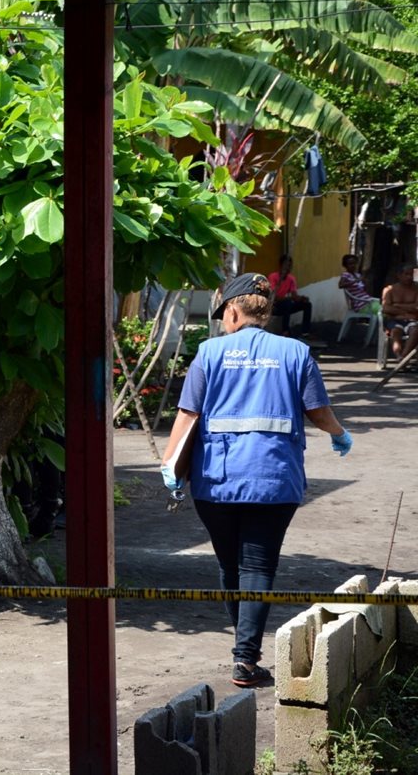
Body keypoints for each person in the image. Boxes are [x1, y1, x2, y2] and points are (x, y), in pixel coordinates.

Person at [160, 272, 351, 689]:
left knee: (231, 566)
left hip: (217, 481)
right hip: (274, 479)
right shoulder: (296, 352)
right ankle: (245, 659)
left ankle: (244, 652)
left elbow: (187, 416)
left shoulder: (209, 353)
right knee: (258, 566)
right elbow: (318, 411)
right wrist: (339, 433)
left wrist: (169, 466)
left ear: (231, 310)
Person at [381, 261, 418, 361]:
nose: (409, 277)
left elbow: (417, 307)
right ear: (399, 275)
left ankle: (403, 358)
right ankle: (398, 355)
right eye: (406, 274)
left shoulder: (416, 289)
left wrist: (397, 305)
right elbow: (386, 308)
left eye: (411, 274)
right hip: (394, 320)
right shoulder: (389, 290)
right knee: (396, 332)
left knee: (415, 330)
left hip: (412, 321)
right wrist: (406, 311)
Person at [267, 255, 311, 337]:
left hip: (286, 305)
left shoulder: (291, 279)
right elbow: (274, 297)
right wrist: (290, 298)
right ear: (280, 266)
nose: (288, 268)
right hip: (274, 306)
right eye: (286, 265)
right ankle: (285, 331)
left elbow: (294, 296)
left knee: (307, 305)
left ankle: (305, 332)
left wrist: (301, 298)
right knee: (287, 302)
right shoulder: (273, 277)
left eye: (290, 266)